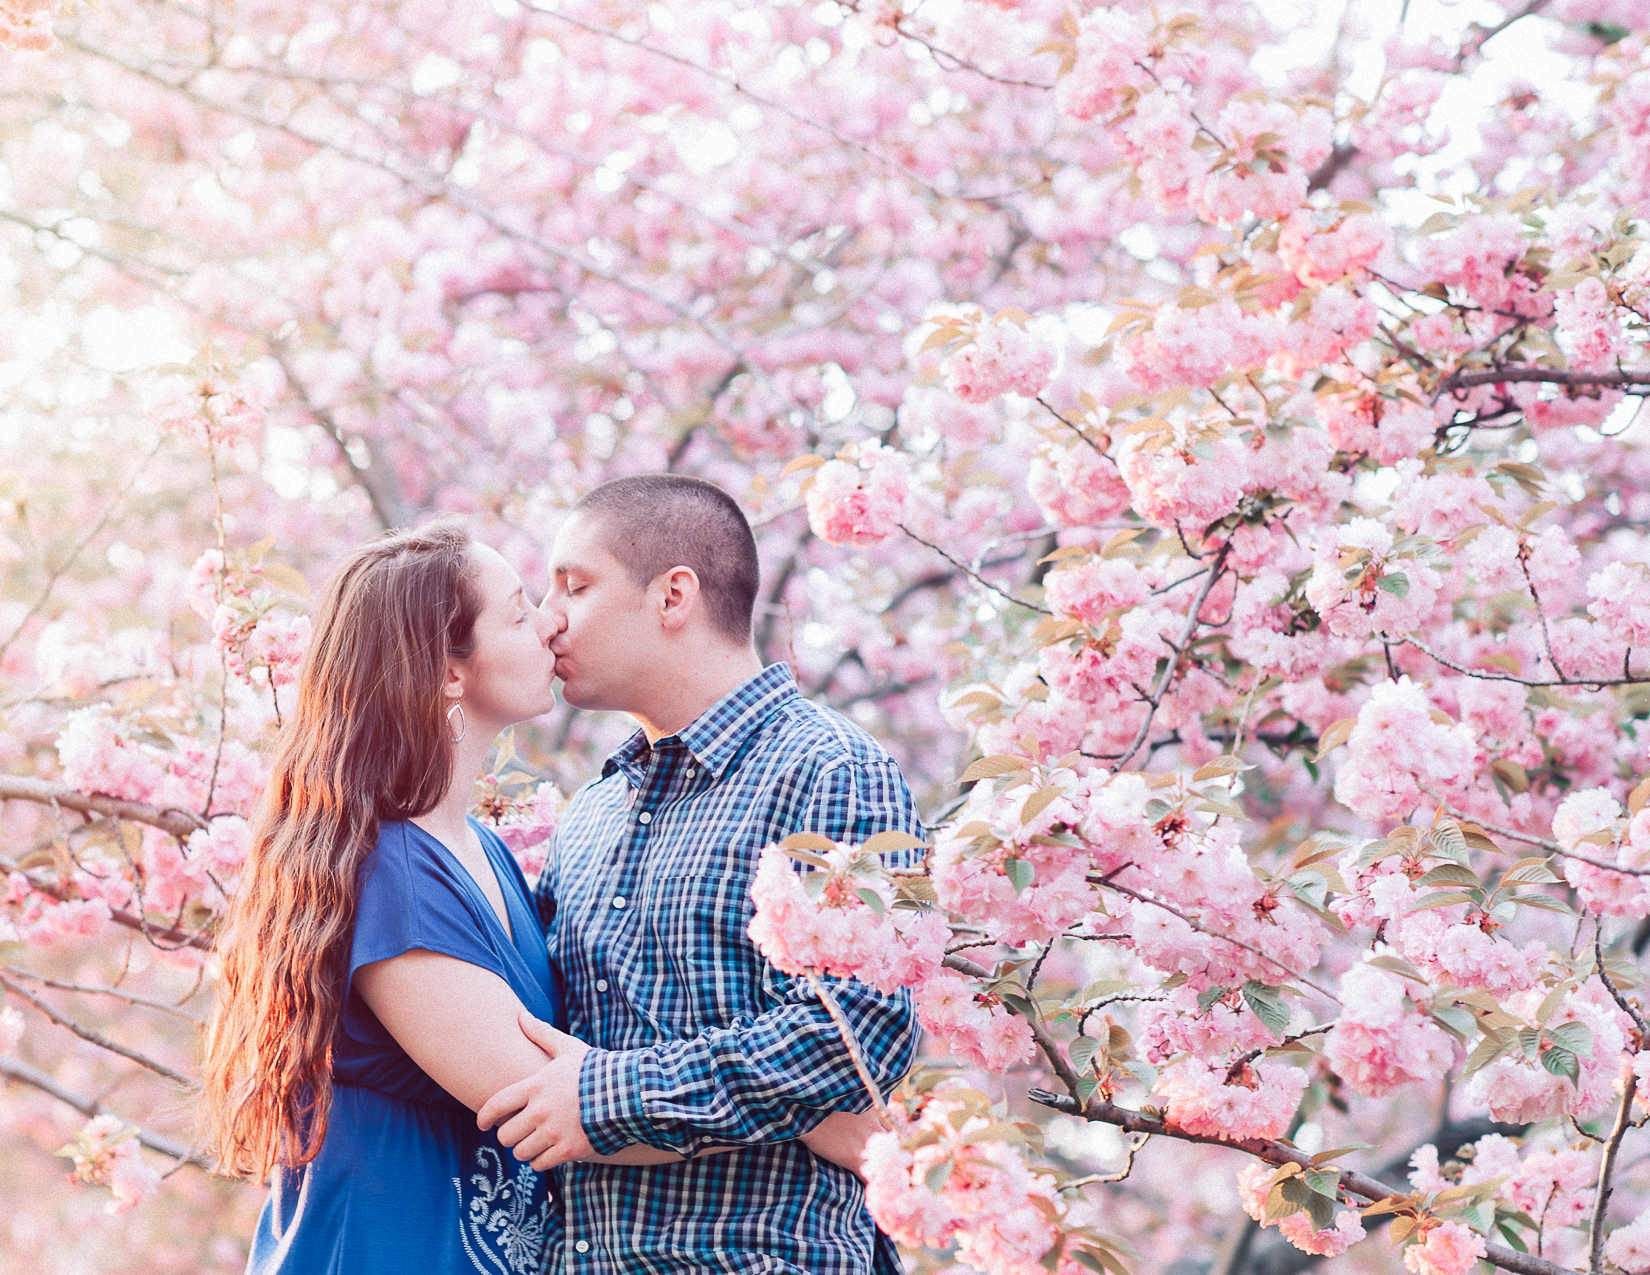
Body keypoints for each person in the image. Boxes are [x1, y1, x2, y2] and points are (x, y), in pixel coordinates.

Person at [201, 520, 873, 1274]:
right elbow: (561, 1106)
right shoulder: (389, 872)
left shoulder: (485, 853)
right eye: (520, 612)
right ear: (449, 668)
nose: (552, 621)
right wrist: (814, 1110)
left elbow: (608, 1049)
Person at [477, 474, 923, 1275]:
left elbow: (860, 1027)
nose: (550, 618)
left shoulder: (828, 771)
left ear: (673, 595)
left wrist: (612, 1098)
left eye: (576, 585)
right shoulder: (591, 812)